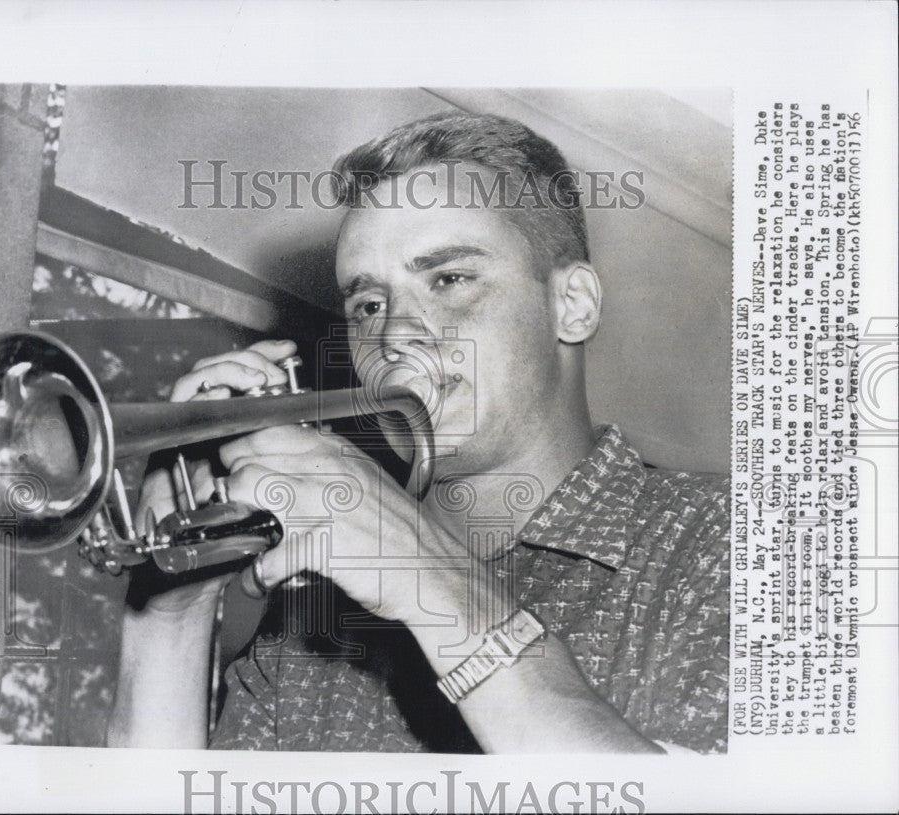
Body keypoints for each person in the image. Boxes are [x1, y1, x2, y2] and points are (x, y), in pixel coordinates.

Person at [107, 112, 729, 754]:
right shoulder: (311, 623)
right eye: (369, 305)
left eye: (450, 280)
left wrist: (427, 573)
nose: (395, 335)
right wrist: (166, 612)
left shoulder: (728, 539)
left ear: (571, 304)